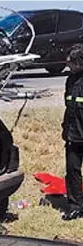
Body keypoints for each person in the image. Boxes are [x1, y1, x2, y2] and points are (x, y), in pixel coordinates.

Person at [61, 43, 83, 221]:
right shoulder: (70, 80)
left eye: (72, 62)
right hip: (73, 135)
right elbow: (69, 108)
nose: (68, 65)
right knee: (72, 170)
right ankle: (76, 206)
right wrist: (65, 129)